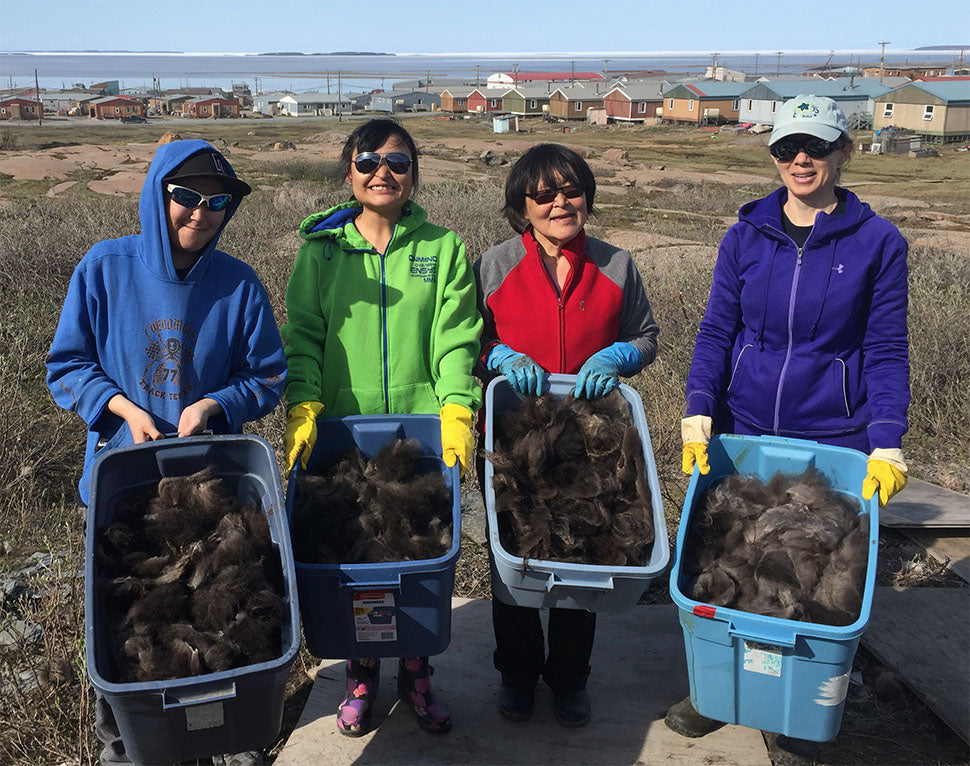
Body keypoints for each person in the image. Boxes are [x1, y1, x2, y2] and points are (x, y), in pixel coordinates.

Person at [669, 95, 910, 765]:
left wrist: (887, 438)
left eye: (815, 145)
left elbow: (887, 348)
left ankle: (799, 703)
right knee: (728, 565)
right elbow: (718, 331)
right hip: (747, 429)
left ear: (843, 150)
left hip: (834, 436)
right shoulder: (745, 236)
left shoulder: (879, 243)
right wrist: (698, 414)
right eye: (785, 148)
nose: (799, 159)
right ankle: (714, 694)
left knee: (819, 579)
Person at [46, 140, 286, 765]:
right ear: (157, 195)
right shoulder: (104, 268)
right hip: (122, 488)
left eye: (216, 203)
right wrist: (123, 409)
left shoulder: (238, 284)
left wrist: (213, 407)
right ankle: (128, 749)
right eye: (184, 197)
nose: (199, 214)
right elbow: (66, 365)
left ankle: (231, 742)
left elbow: (268, 376)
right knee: (128, 636)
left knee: (214, 624)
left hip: (211, 494)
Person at [281, 118, 481, 736]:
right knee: (357, 560)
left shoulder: (443, 248)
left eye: (397, 162)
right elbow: (304, 337)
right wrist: (305, 407)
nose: (382, 173)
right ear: (349, 173)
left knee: (414, 557)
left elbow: (456, 339)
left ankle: (416, 674)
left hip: (420, 439)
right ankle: (361, 674)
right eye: (368, 162)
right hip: (345, 436)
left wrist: (456, 408)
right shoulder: (321, 250)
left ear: (414, 173)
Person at [474, 143, 659, 727]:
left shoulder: (617, 264)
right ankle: (518, 675)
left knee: (584, 559)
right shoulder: (494, 266)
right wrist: (495, 354)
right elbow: (466, 341)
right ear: (521, 206)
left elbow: (648, 334)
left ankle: (570, 679)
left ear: (588, 197)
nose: (560, 203)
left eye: (571, 190)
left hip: (594, 439)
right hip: (513, 440)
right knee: (516, 562)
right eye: (544, 195)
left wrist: (623, 354)